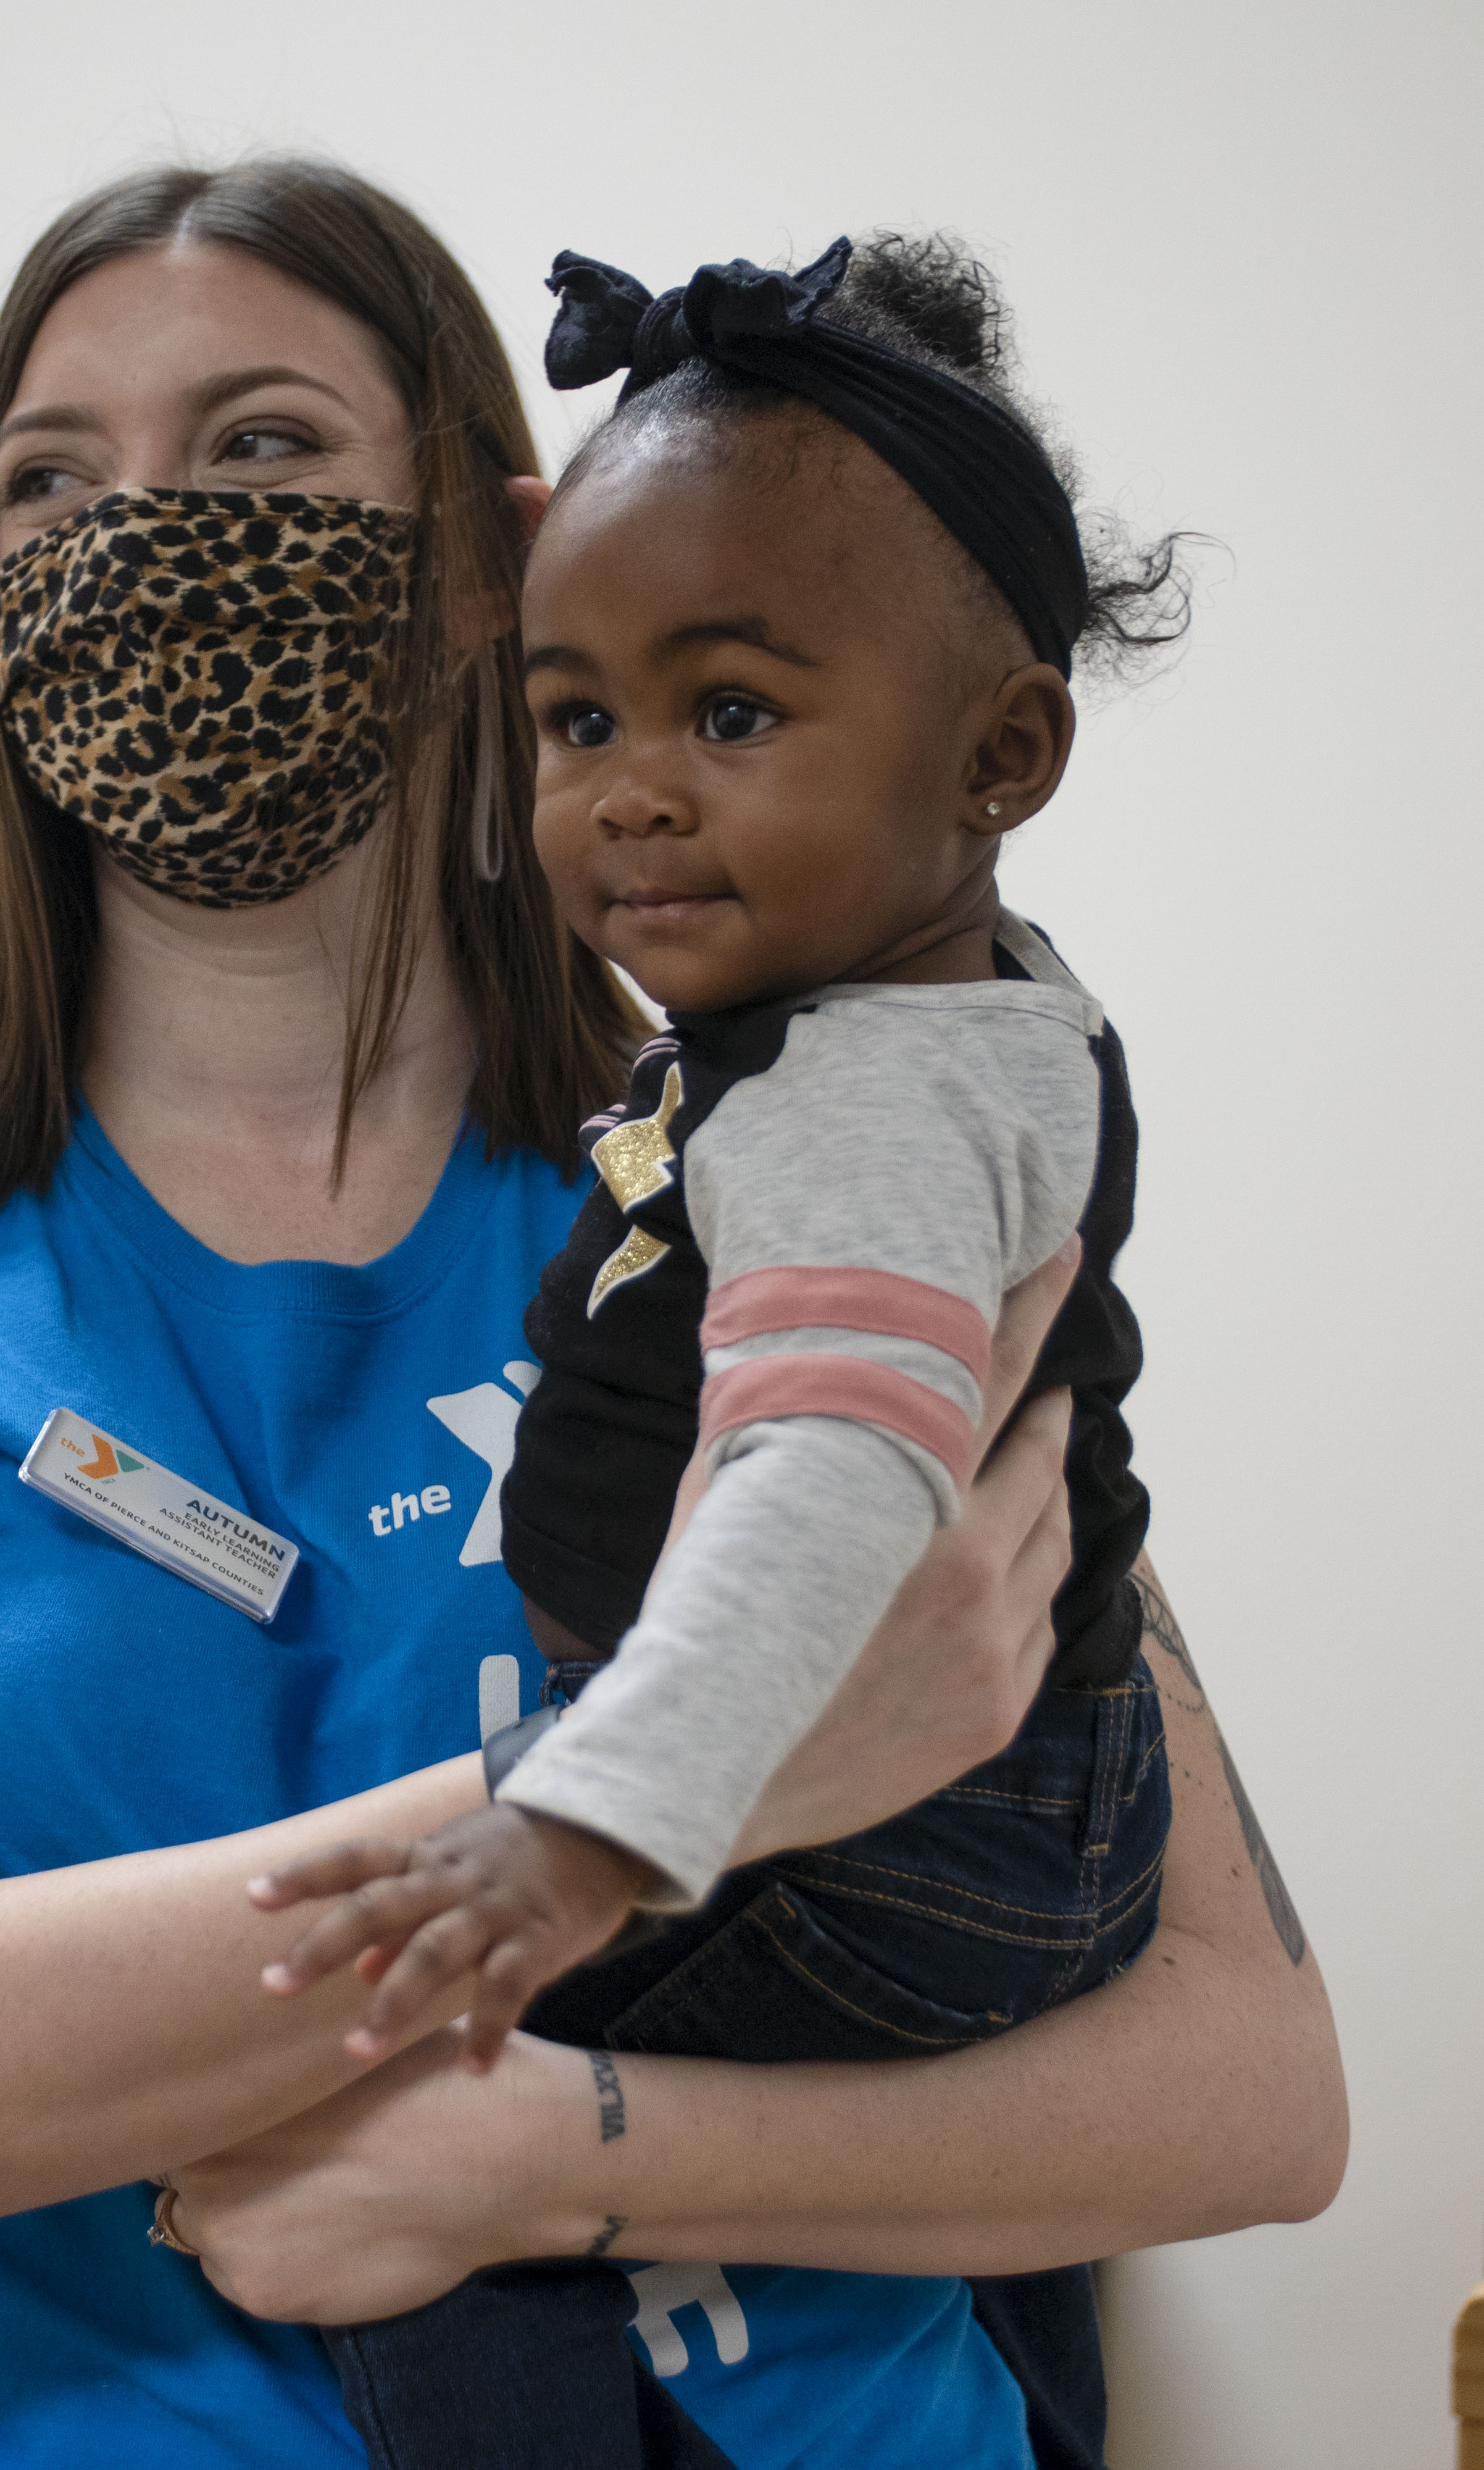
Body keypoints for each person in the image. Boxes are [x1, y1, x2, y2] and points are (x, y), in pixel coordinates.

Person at [0, 156, 1344, 2470]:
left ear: (483, 563)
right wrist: (678, 1783)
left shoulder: (785, 1168)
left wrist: (562, 2154)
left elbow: (1250, 2083)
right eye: (52, 482)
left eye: (264, 449)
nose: (147, 535)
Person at [252, 230, 1183, 2470]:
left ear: (1004, 755)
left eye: (733, 714)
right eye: (579, 719)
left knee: (416, 2161)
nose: (632, 791)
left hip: (922, 1839)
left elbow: (833, 1476)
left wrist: (583, 1837)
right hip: (961, 1824)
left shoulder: (872, 1092)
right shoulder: (897, 1016)